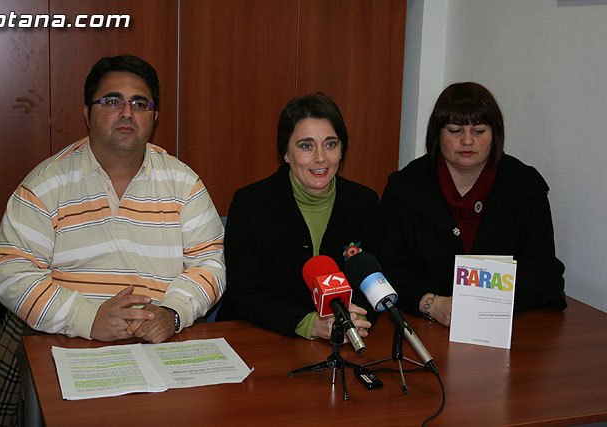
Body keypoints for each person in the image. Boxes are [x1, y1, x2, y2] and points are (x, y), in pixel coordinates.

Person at [0, 55, 225, 426]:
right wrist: (89, 319)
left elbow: (210, 263)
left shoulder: (183, 183)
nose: (127, 113)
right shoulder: (46, 183)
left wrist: (172, 313)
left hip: (160, 347)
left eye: (140, 103)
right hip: (69, 346)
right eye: (112, 101)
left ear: (154, 117)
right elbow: (13, 272)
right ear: (87, 114)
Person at [380, 82, 566, 327]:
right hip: (423, 325)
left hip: (509, 326)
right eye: (455, 130)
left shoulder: (525, 186)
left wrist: (485, 304)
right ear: (437, 134)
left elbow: (543, 273)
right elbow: (387, 268)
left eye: (479, 131)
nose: (467, 141)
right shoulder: (405, 187)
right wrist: (430, 303)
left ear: (495, 134)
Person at [217, 93, 379, 342]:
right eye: (306, 146)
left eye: (330, 144)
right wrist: (309, 324)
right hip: (264, 339)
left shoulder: (364, 203)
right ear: (285, 153)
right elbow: (244, 294)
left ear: (342, 150)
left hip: (344, 340)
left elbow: (375, 282)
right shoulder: (251, 203)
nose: (320, 157)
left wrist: (352, 319)